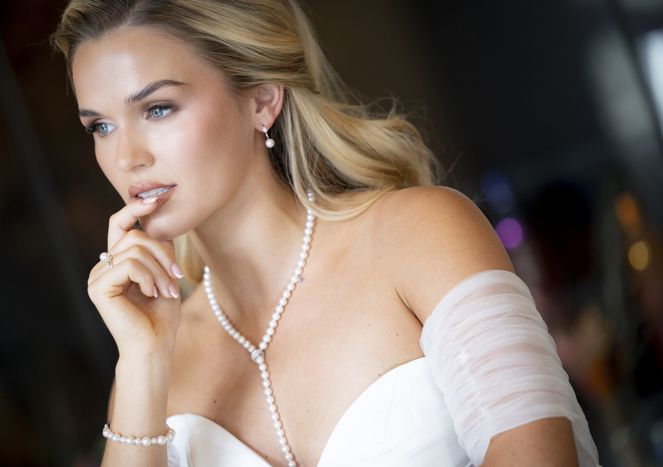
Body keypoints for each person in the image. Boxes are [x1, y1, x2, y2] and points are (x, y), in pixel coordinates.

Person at [51, 1, 601, 466]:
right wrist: (143, 364)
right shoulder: (150, 365)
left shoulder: (420, 235)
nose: (126, 158)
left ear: (262, 98)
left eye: (158, 108)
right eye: (100, 126)